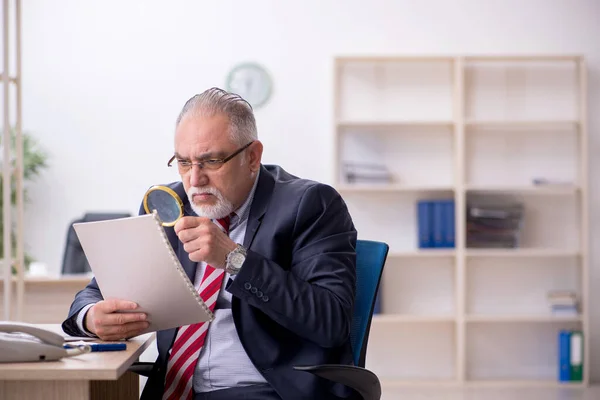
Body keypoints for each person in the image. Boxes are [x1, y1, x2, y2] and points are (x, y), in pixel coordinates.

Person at [62, 87, 359, 400]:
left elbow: (331, 321)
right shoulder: (167, 203)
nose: (195, 180)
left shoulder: (310, 204)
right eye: (183, 162)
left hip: (264, 390)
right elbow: (97, 290)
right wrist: (93, 316)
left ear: (252, 157)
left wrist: (234, 259)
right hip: (171, 388)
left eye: (211, 161)